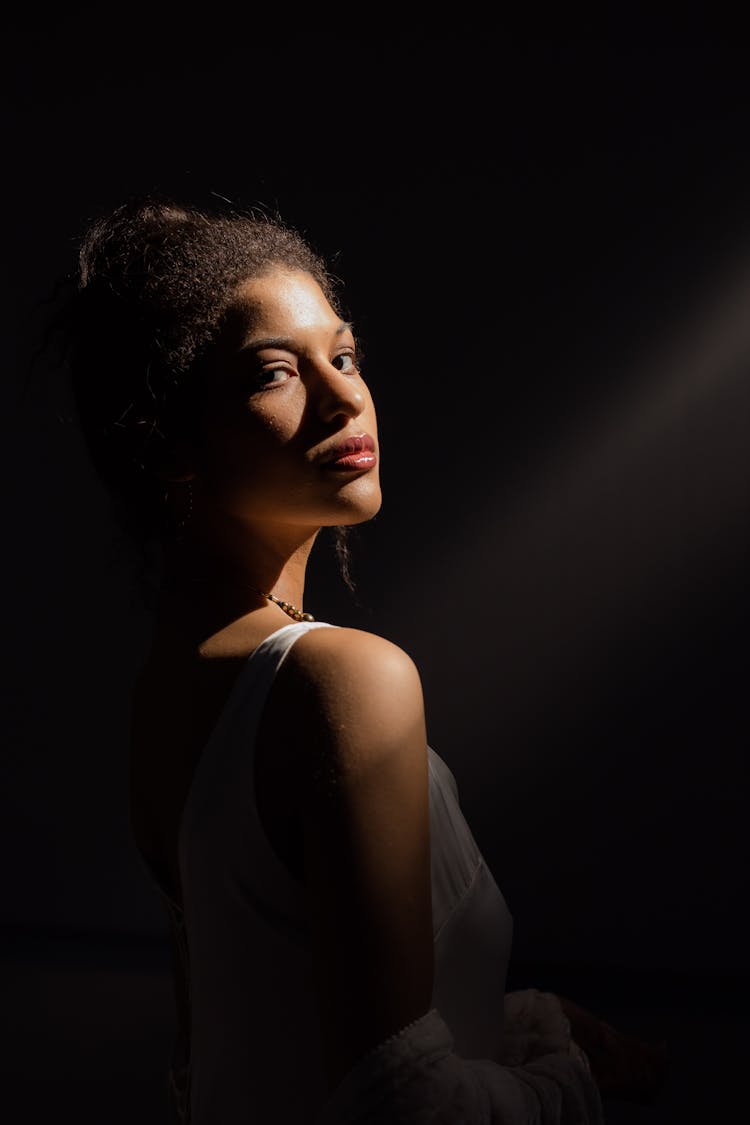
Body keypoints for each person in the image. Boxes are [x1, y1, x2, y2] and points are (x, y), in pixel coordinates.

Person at [53, 194, 666, 1123]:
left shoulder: (176, 687)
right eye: (273, 373)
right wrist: (574, 1075)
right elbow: (399, 1103)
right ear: (170, 442)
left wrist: (522, 1023)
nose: (345, 396)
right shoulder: (339, 679)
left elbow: (237, 1046)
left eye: (342, 356)